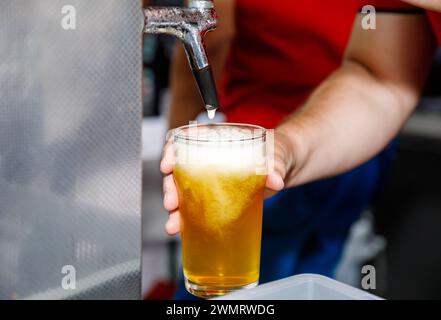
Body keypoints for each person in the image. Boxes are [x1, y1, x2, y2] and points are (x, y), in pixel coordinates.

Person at [161, 0, 423, 298]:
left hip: (292, 140)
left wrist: (177, 125)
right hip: (323, 146)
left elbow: (215, 37)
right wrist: (285, 148)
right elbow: (380, 77)